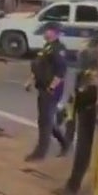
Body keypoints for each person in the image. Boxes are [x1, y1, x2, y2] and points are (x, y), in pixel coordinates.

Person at [54, 35, 98, 195]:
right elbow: (76, 91)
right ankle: (72, 185)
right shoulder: (86, 73)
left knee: (85, 148)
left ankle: (73, 187)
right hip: (85, 107)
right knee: (82, 148)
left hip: (94, 109)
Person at [26, 22, 70, 161]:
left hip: (51, 90)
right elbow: (38, 66)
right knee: (45, 120)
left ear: (54, 33)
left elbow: (60, 72)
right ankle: (65, 143)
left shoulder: (58, 49)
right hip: (42, 87)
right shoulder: (47, 47)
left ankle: (40, 153)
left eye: (47, 30)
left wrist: (51, 87)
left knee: (45, 121)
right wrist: (30, 81)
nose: (45, 32)